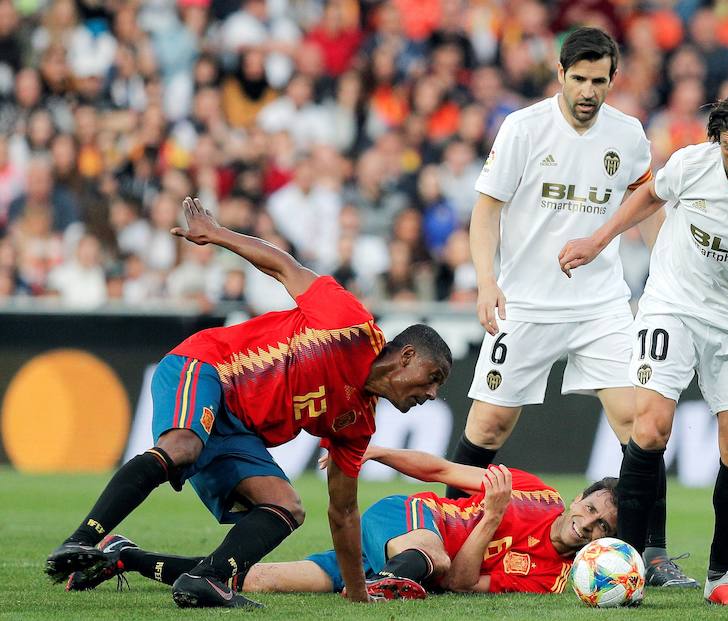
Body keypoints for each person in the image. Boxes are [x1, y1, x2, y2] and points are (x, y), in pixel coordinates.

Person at [45, 197, 452, 609]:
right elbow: (284, 267)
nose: (432, 394)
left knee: (287, 506)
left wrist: (359, 594)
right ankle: (82, 539)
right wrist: (218, 235)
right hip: (208, 366)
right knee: (184, 446)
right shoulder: (350, 326)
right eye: (432, 378)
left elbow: (343, 512)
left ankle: (208, 579)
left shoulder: (358, 422)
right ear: (406, 357)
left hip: (237, 430)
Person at [558, 91, 728, 606]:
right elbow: (648, 196)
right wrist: (597, 241)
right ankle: (630, 566)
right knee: (650, 427)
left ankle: (722, 580)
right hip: (673, 305)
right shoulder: (691, 164)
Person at [447, 26, 693, 587]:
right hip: (527, 302)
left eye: (598, 80)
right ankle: (454, 531)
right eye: (578, 79)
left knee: (639, 423)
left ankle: (649, 553)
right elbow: (486, 211)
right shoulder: (523, 128)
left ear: (613, 80)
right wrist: (487, 282)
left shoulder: (628, 135)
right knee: (489, 423)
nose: (587, 90)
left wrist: (669, 269)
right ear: (560, 75)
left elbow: (646, 206)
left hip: (601, 303)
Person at [66, 446, 619, 598]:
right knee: (433, 552)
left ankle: (124, 555)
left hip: (408, 559)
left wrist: (488, 522)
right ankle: (381, 588)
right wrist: (378, 454)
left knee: (253, 580)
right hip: (406, 518)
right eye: (591, 510)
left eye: (601, 530)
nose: (589, 526)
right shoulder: (536, 493)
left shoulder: (551, 578)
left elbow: (459, 586)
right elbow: (443, 470)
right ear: (578, 499)